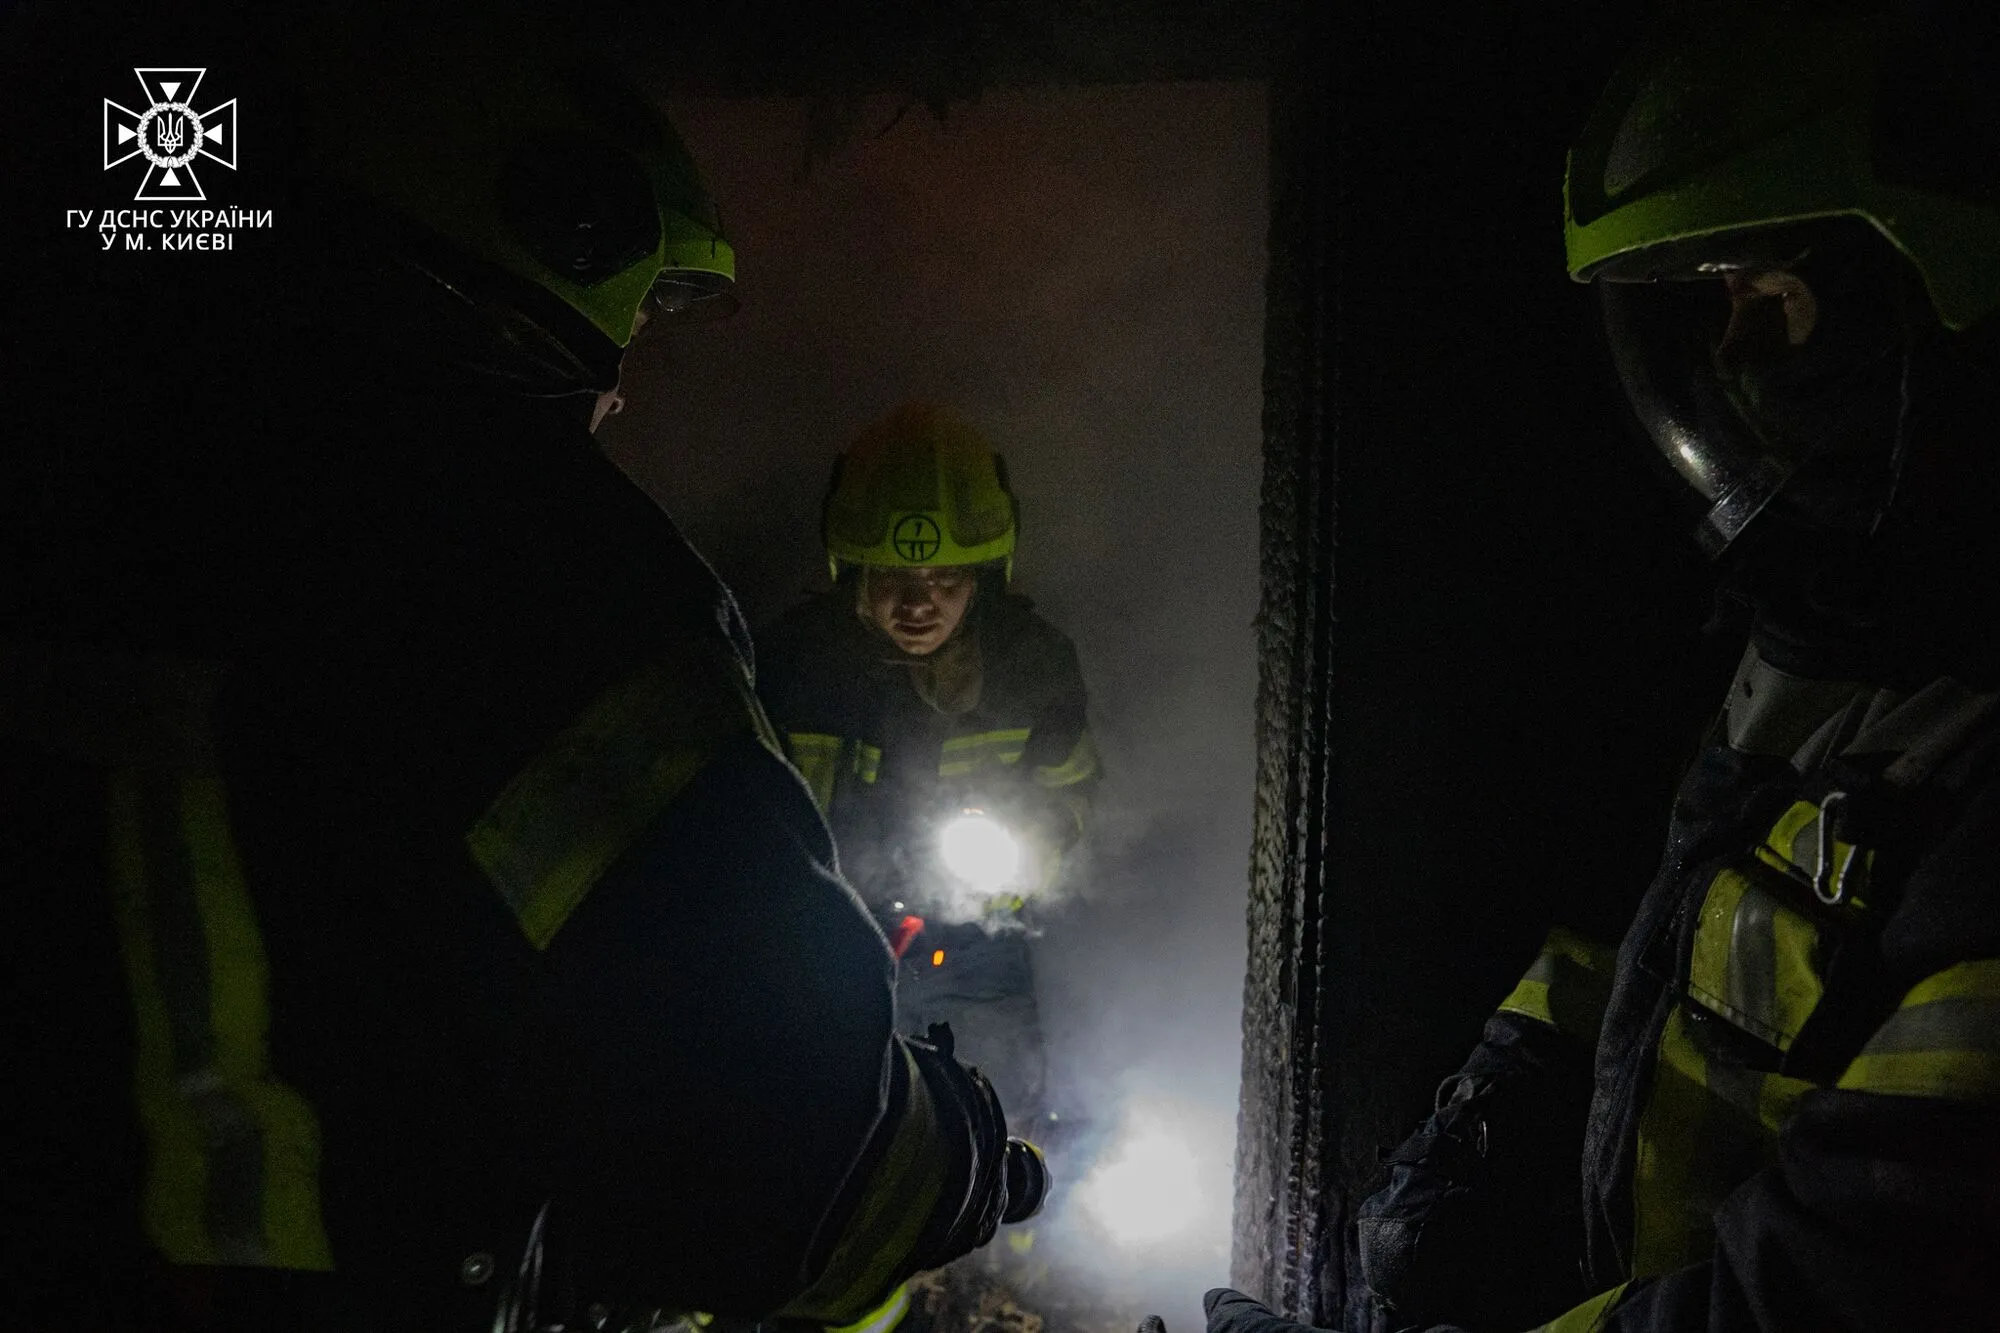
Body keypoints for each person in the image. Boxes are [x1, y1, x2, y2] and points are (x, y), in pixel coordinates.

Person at [0, 11, 1040, 1330]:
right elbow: (796, 1160)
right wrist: (966, 1161)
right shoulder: (522, 561)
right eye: (631, 333)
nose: (622, 396)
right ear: (559, 250)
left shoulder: (73, 484)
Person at [1201, 3, 2000, 1331]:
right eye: (1720, 305)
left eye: (1773, 296)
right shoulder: (1829, 639)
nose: (1732, 360)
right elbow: (1667, 914)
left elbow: (1833, 1297)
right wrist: (1512, 1081)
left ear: (1943, 303)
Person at [758, 402, 1103, 1132]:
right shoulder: (791, 668)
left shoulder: (1032, 669)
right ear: (853, 568)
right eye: (895, 576)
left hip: (974, 948)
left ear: (983, 575)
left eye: (946, 577)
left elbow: (1068, 792)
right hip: (822, 950)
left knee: (998, 1129)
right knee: (822, 1137)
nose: (920, 603)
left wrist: (1019, 855)